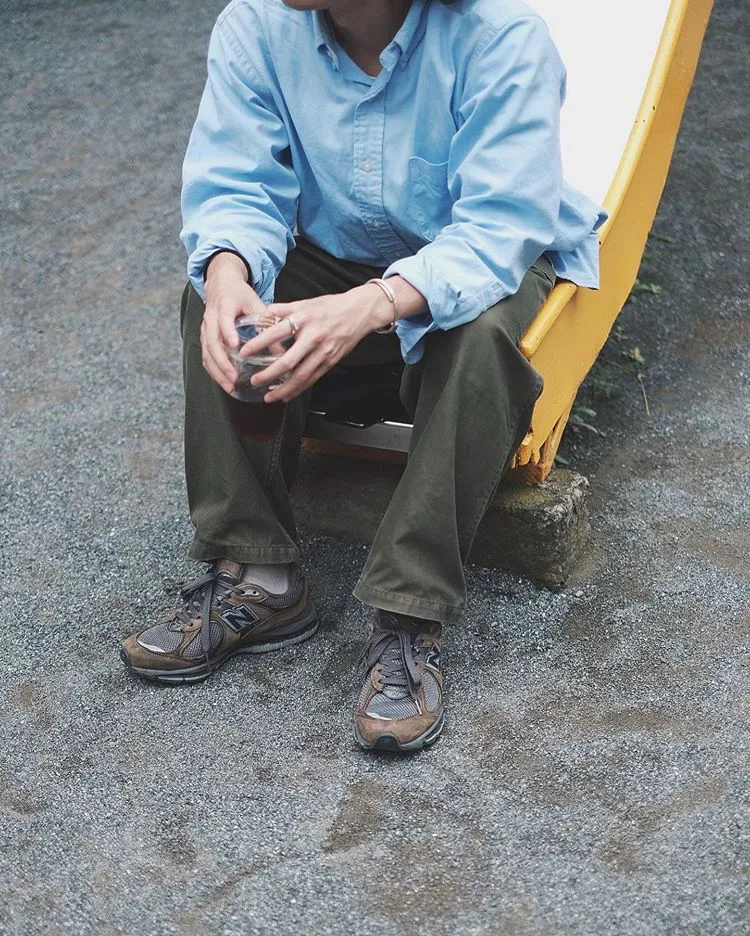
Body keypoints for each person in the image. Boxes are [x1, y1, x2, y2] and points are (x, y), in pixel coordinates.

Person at [120, 0, 606, 751]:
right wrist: (227, 273)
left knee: (480, 334)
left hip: (480, 269)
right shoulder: (256, 26)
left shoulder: (501, 38)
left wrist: (371, 305)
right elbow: (239, 183)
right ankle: (258, 574)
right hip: (337, 259)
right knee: (219, 300)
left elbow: (499, 228)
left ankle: (409, 614)